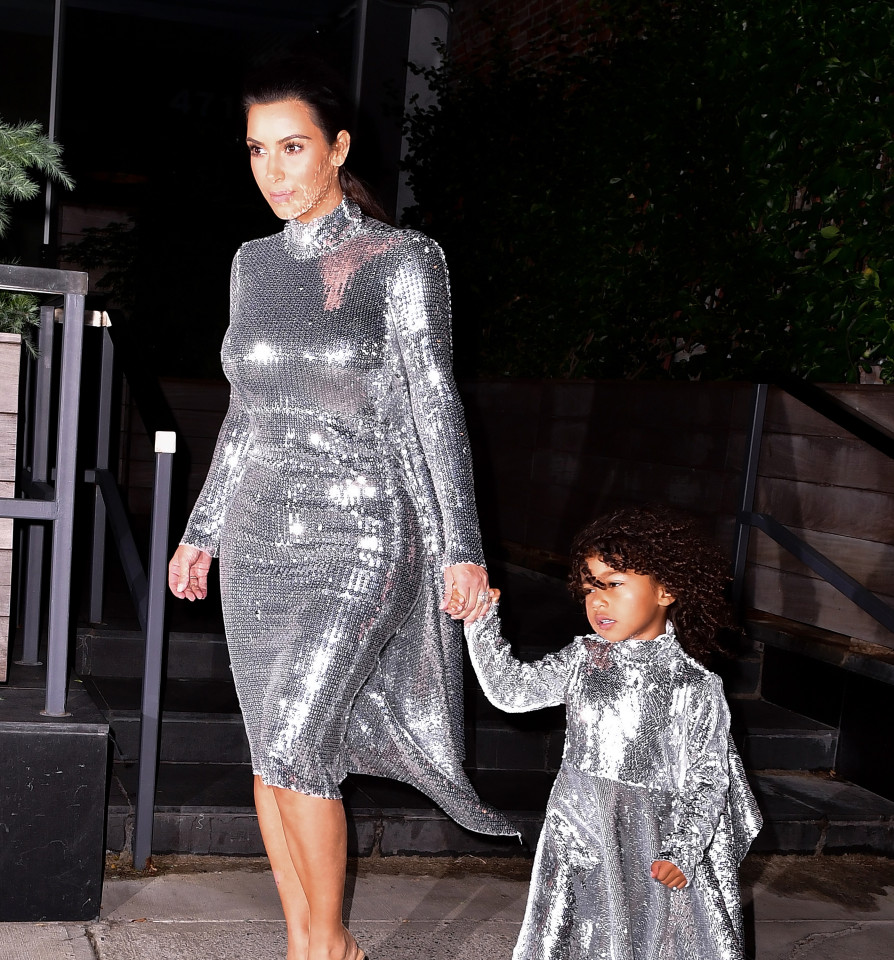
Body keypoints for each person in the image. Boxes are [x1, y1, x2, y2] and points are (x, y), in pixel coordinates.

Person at [167, 58, 515, 960]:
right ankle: (309, 945)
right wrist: (203, 528)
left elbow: (437, 406)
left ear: (338, 149)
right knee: (271, 753)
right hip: (258, 537)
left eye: (293, 148)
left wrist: (463, 547)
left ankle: (329, 948)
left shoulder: (403, 261)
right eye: (258, 151)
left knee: (297, 739)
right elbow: (245, 411)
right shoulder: (250, 265)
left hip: (364, 535)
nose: (273, 170)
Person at [464, 506, 763, 960]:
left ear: (666, 590)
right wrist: (481, 620)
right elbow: (511, 691)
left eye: (614, 584)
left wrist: (683, 850)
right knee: (573, 937)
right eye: (589, 589)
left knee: (647, 939)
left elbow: (708, 778)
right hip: (577, 826)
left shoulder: (694, 684)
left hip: (650, 836)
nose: (598, 602)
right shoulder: (583, 658)